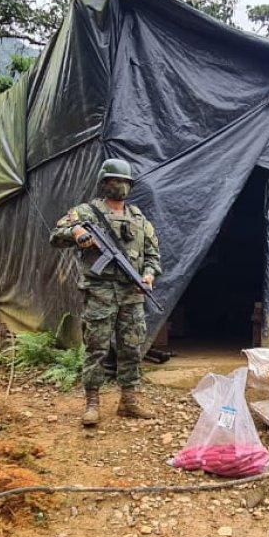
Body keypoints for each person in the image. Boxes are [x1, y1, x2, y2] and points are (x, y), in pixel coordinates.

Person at [50, 158, 161, 427]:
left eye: (124, 182)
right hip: (100, 291)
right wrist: (76, 233)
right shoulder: (87, 212)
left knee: (132, 346)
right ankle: (92, 402)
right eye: (114, 181)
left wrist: (147, 275)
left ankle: (129, 400)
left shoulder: (138, 218)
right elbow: (55, 234)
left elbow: (153, 256)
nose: (119, 186)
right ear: (104, 183)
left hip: (131, 293)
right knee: (96, 346)